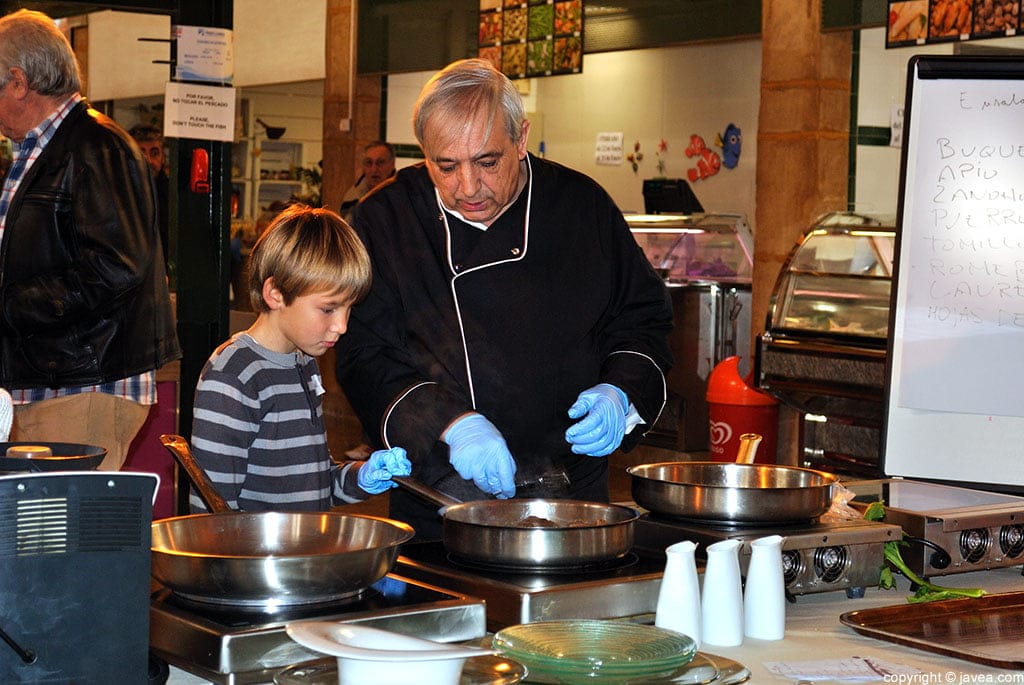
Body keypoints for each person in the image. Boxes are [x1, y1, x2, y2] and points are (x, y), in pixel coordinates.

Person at [334, 58, 673, 539]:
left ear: (521, 139)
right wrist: (451, 424)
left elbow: (642, 320)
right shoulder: (386, 220)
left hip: (572, 494)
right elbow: (365, 354)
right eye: (445, 166)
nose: (468, 187)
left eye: (487, 163)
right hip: (440, 495)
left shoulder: (581, 207)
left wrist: (621, 392)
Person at [0, 9, 180, 471]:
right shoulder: (47, 147)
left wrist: (10, 304)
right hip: (56, 377)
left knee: (62, 535)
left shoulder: (96, 146)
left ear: (18, 82)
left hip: (83, 383)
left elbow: (117, 266)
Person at [189, 204, 412, 512]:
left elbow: (315, 484)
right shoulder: (234, 376)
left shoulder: (303, 362)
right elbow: (211, 511)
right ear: (276, 293)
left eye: (349, 309)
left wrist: (361, 477)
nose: (342, 326)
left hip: (303, 555)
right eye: (328, 309)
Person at [129, 124, 170, 268]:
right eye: (141, 153)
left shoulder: (172, 195)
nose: (149, 160)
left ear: (163, 157)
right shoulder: (118, 193)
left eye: (154, 153)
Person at [339, 140, 396, 220]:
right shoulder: (353, 197)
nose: (374, 169)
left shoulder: (403, 194)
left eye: (380, 162)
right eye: (369, 163)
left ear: (392, 164)